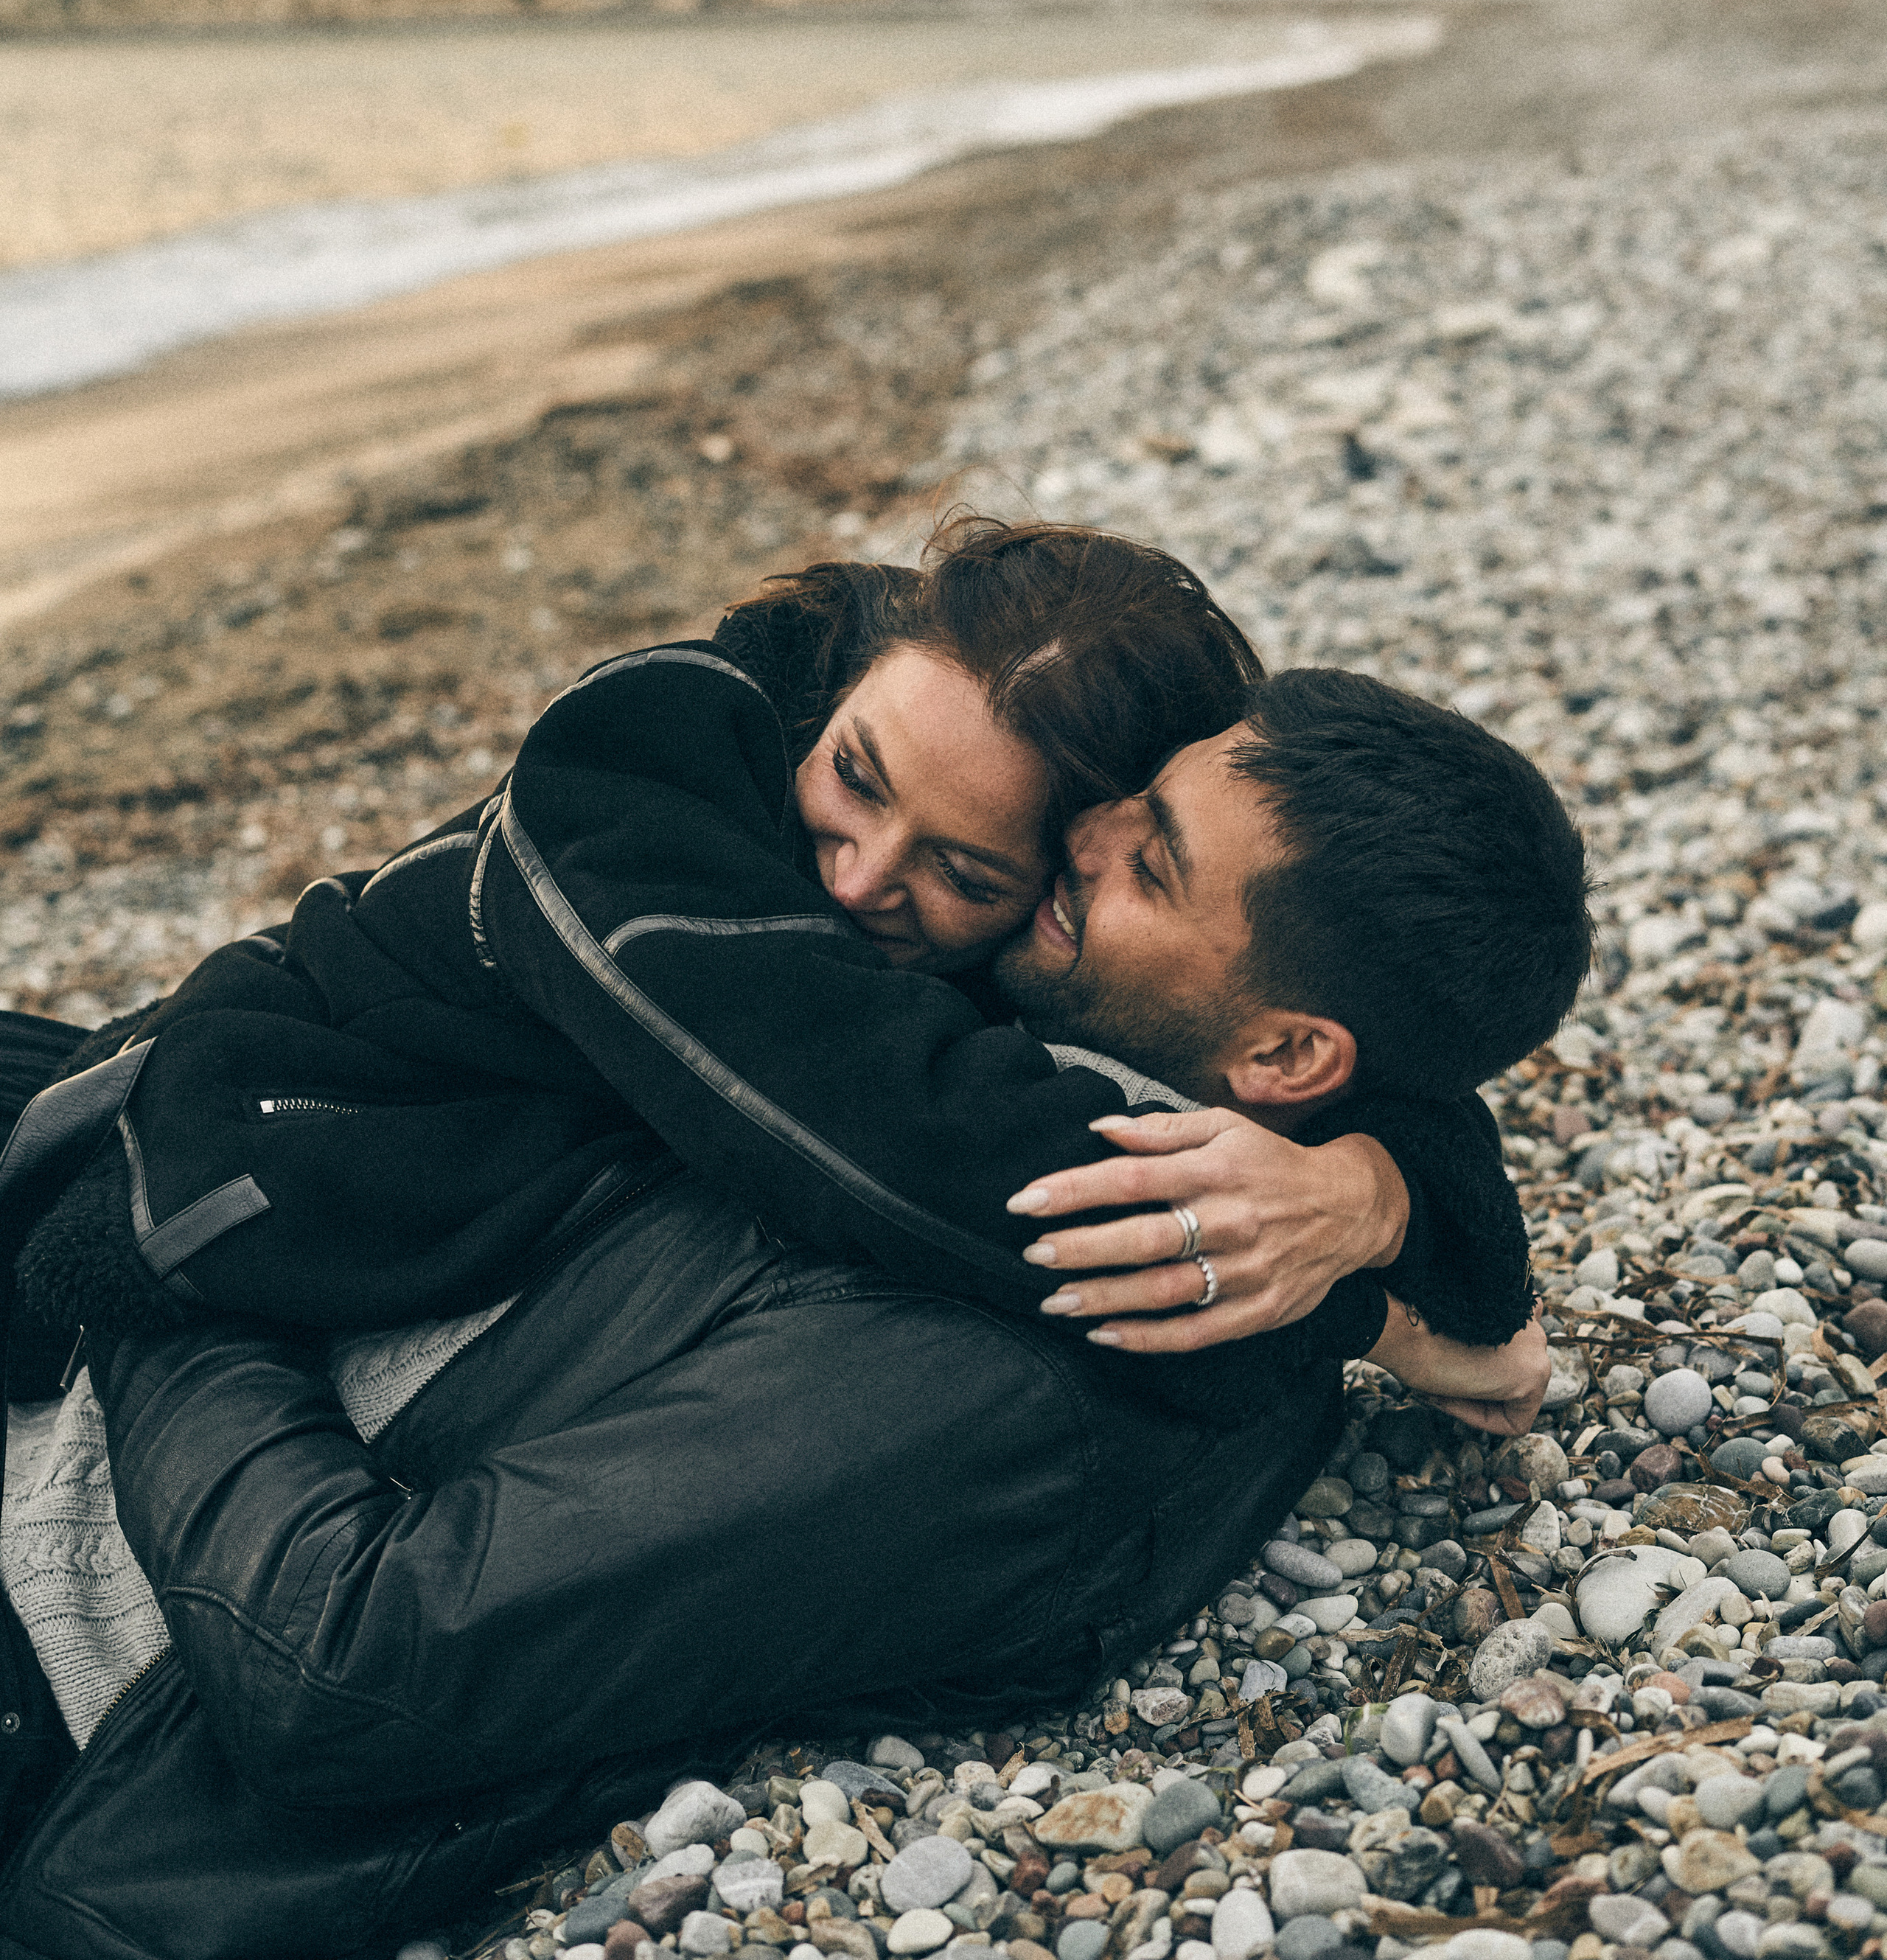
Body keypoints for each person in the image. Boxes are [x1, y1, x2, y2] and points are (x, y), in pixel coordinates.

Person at [0, 526, 1583, 1957]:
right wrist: (1380, 1215)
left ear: (1292, 1064)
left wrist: (150, 1272)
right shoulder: (904, 979)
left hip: (94, 1493)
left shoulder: (1074, 1308)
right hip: (240, 1132)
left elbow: (345, 1663)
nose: (1080, 844)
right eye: (1113, 809)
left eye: (1137, 859)